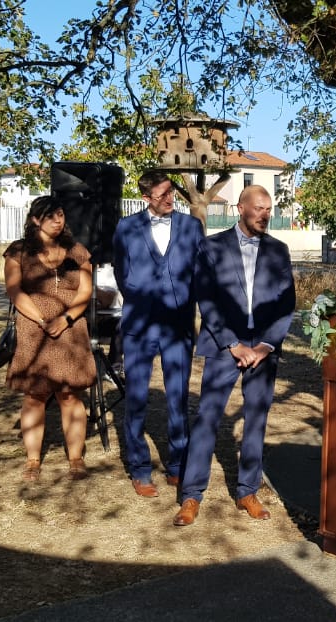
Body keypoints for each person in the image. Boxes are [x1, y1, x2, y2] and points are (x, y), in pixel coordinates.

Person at [173, 185, 296, 526]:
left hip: (263, 349)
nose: (265, 215)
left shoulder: (279, 250)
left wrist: (266, 345)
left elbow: (287, 302)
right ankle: (191, 495)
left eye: (268, 209)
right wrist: (233, 344)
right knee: (207, 418)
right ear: (240, 209)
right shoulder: (211, 247)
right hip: (224, 346)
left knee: (256, 419)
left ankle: (247, 491)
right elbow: (207, 299)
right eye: (258, 208)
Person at [111, 171, 205, 498]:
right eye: (162, 194)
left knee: (178, 397)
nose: (170, 199)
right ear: (146, 197)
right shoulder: (126, 227)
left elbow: (200, 270)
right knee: (136, 397)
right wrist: (140, 296)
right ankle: (139, 468)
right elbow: (121, 271)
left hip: (178, 325)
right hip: (140, 324)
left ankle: (177, 464)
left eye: (171, 193)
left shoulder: (191, 226)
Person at [3, 195, 97, 482]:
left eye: (61, 214)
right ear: (36, 219)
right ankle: (33, 460)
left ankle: (76, 458)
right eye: (51, 216)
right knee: (35, 395)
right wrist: (42, 320)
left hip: (71, 330)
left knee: (70, 395)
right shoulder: (18, 252)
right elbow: (15, 291)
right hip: (34, 330)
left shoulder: (77, 251)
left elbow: (85, 292)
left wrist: (65, 318)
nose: (58, 220)